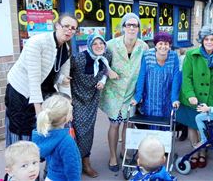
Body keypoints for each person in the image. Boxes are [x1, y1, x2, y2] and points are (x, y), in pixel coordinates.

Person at [4, 14, 77, 147]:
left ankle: (35, 162)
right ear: (57, 26)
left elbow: (65, 82)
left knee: (41, 132)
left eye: (73, 28)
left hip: (43, 90)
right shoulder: (37, 42)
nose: (69, 30)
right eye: (66, 26)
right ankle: (17, 162)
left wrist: (69, 107)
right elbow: (34, 80)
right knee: (21, 128)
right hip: (21, 90)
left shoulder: (66, 49)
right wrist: (39, 113)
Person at [99, 12, 149, 172]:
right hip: (113, 93)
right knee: (114, 124)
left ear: (139, 28)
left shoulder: (143, 46)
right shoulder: (111, 44)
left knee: (128, 124)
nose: (132, 28)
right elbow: (99, 62)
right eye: (129, 25)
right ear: (123, 27)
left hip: (131, 94)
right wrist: (107, 71)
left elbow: (147, 68)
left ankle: (125, 151)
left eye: (135, 25)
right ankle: (113, 156)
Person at [176, 25, 213, 169]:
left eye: (212, 39)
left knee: (204, 125)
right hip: (192, 97)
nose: (209, 42)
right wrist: (190, 95)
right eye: (206, 39)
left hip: (210, 98)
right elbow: (186, 78)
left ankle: (203, 150)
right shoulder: (192, 54)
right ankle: (195, 150)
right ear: (202, 40)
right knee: (193, 125)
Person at [70, 33, 114, 178]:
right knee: (76, 132)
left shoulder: (106, 55)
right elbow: (65, 73)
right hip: (76, 98)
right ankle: (74, 163)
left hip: (92, 99)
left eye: (101, 43)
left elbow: (106, 71)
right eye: (95, 44)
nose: (99, 46)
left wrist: (103, 80)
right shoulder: (78, 59)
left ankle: (86, 163)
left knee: (88, 132)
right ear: (89, 45)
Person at [131, 31, 180, 127]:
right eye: (160, 43)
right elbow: (142, 77)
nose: (163, 46)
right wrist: (137, 97)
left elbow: (176, 78)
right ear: (156, 45)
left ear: (169, 45)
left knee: (167, 126)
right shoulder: (147, 55)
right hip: (151, 98)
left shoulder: (174, 56)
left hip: (167, 98)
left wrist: (174, 98)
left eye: (166, 44)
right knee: (153, 126)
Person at [32, 94, 81, 181]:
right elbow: (72, 168)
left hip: (50, 177)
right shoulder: (67, 141)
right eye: (70, 111)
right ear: (65, 118)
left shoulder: (44, 134)